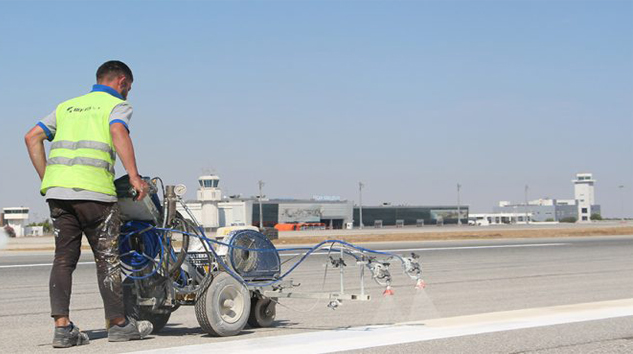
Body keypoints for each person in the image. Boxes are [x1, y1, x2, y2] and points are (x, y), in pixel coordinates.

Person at [24, 60, 153, 348]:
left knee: (63, 259)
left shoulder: (66, 106)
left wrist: (49, 179)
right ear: (121, 82)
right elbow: (118, 132)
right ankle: (119, 324)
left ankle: (62, 328)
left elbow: (31, 137)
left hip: (59, 194)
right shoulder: (115, 105)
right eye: (128, 89)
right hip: (95, 193)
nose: (127, 94)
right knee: (107, 259)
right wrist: (134, 176)